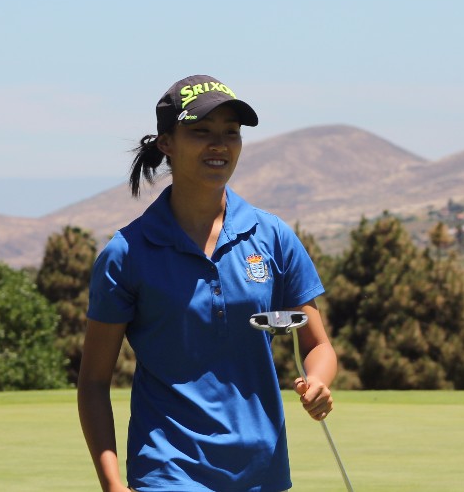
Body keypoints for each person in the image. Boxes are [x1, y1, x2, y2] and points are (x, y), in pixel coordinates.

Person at [78, 74, 339, 492]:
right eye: (201, 132)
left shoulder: (272, 236)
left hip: (263, 470)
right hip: (169, 470)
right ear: (167, 143)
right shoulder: (127, 253)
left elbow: (317, 345)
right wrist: (112, 484)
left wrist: (319, 381)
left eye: (231, 133)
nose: (219, 145)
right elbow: (93, 382)